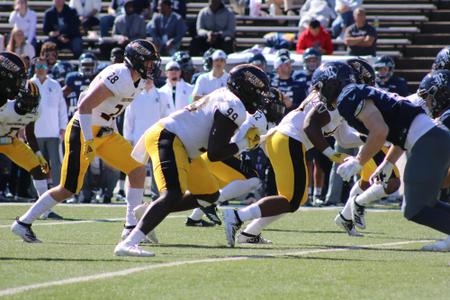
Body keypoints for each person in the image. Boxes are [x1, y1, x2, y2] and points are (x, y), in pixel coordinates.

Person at [10, 40, 161, 243]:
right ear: (137, 61)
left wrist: (115, 135)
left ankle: (130, 226)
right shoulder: (119, 75)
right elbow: (84, 105)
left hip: (106, 132)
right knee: (68, 188)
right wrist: (88, 140)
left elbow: (113, 111)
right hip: (83, 129)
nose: (152, 67)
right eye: (149, 62)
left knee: (137, 169)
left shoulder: (140, 81)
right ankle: (23, 223)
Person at [114, 64, 271, 256]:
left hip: (185, 146)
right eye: (258, 92)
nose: (260, 98)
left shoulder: (226, 96)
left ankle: (146, 212)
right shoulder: (234, 105)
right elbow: (214, 153)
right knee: (172, 194)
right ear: (246, 88)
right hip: (170, 137)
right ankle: (129, 242)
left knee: (209, 195)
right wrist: (243, 144)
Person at [313, 61, 450, 249]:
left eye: (320, 88)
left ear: (331, 84)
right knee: (423, 203)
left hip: (427, 141)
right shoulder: (357, 92)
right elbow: (402, 130)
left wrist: (359, 162)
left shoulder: (348, 96)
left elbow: (380, 130)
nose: (320, 95)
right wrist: (387, 163)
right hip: (431, 138)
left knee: (415, 208)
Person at [331, 59, 400, 235]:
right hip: (374, 141)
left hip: (372, 140)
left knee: (365, 182)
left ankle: (345, 217)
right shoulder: (350, 97)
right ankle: (354, 207)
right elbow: (346, 135)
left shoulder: (353, 95)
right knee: (392, 182)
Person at [1, 81, 54, 222]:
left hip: (10, 142)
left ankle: (45, 209)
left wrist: (39, 155)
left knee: (38, 169)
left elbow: (29, 134)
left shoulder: (35, 111)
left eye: (33, 100)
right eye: (28, 98)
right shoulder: (5, 107)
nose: (30, 103)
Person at [30, 57, 68, 189]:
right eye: (39, 67)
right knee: (37, 163)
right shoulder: (29, 84)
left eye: (43, 67)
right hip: (34, 132)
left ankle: (58, 189)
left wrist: (63, 127)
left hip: (53, 131)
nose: (41, 70)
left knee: (56, 163)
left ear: (47, 68)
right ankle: (38, 192)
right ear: (34, 68)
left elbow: (62, 108)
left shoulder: (55, 84)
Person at [63, 53, 98, 121]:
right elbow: (63, 95)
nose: (87, 67)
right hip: (74, 113)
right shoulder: (73, 78)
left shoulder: (99, 77)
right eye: (85, 64)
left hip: (93, 113)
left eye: (90, 64)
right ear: (80, 65)